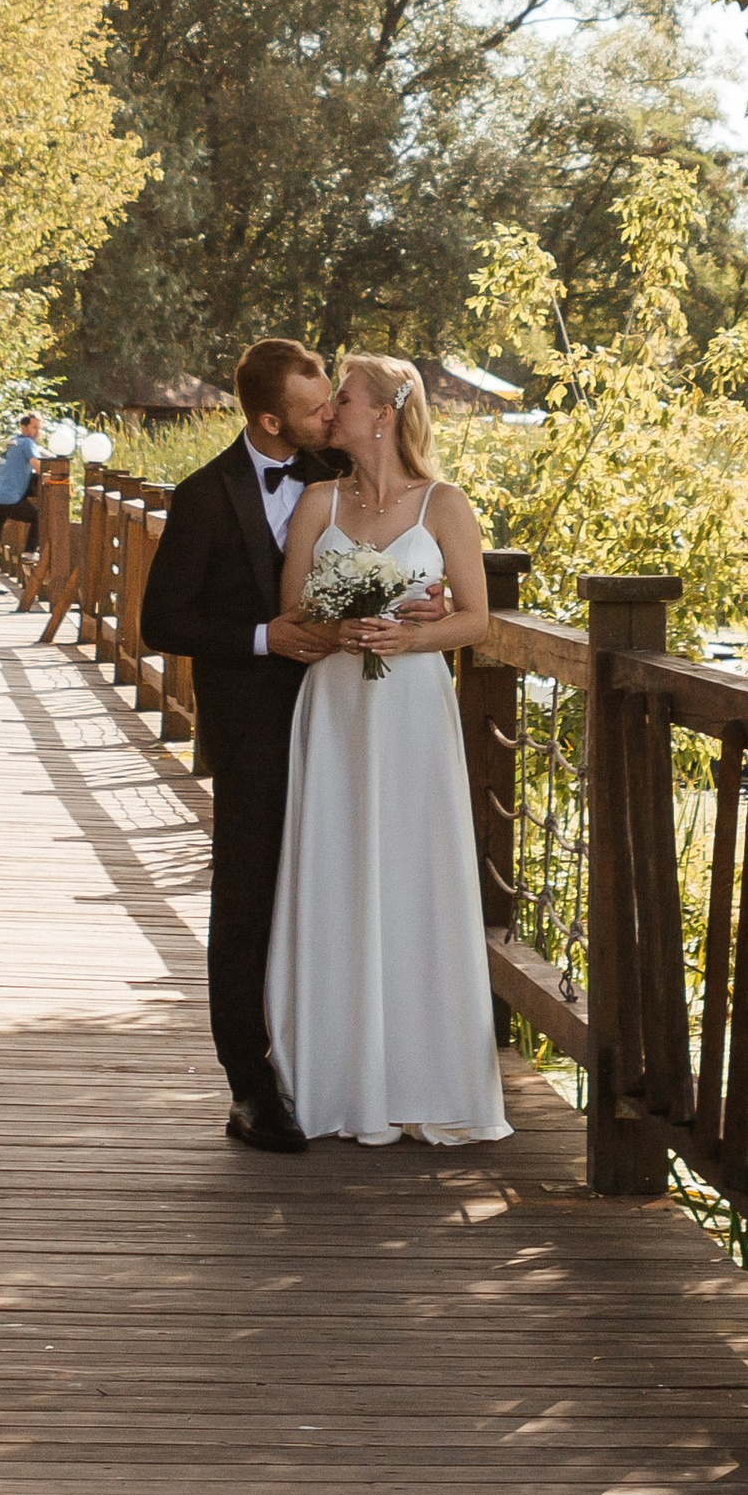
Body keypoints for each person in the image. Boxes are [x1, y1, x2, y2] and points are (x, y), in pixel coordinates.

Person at [265, 353, 508, 1148]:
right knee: (337, 869)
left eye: (343, 396)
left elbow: (475, 619)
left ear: (382, 413)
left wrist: (410, 636)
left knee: (413, 873)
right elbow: (293, 613)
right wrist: (339, 624)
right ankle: (337, 1078)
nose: (329, 407)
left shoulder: (445, 505)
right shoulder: (318, 502)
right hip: (336, 707)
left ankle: (419, 1080)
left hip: (411, 711)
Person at [137, 339, 354, 1150]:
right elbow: (161, 622)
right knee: (246, 901)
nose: (329, 416)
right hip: (252, 729)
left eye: (331, 401)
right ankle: (250, 1088)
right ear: (269, 420)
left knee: (338, 888)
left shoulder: (347, 474)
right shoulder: (203, 495)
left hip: (346, 721)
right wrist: (264, 637)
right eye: (314, 409)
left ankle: (338, 1067)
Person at [0, 412, 46, 589]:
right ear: (24, 428)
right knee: (38, 517)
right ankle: (29, 553)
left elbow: (39, 451)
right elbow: (38, 466)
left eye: (39, 428)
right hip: (8, 499)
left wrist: (51, 455)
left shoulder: (14, 441)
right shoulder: (27, 443)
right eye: (34, 427)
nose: (37, 432)